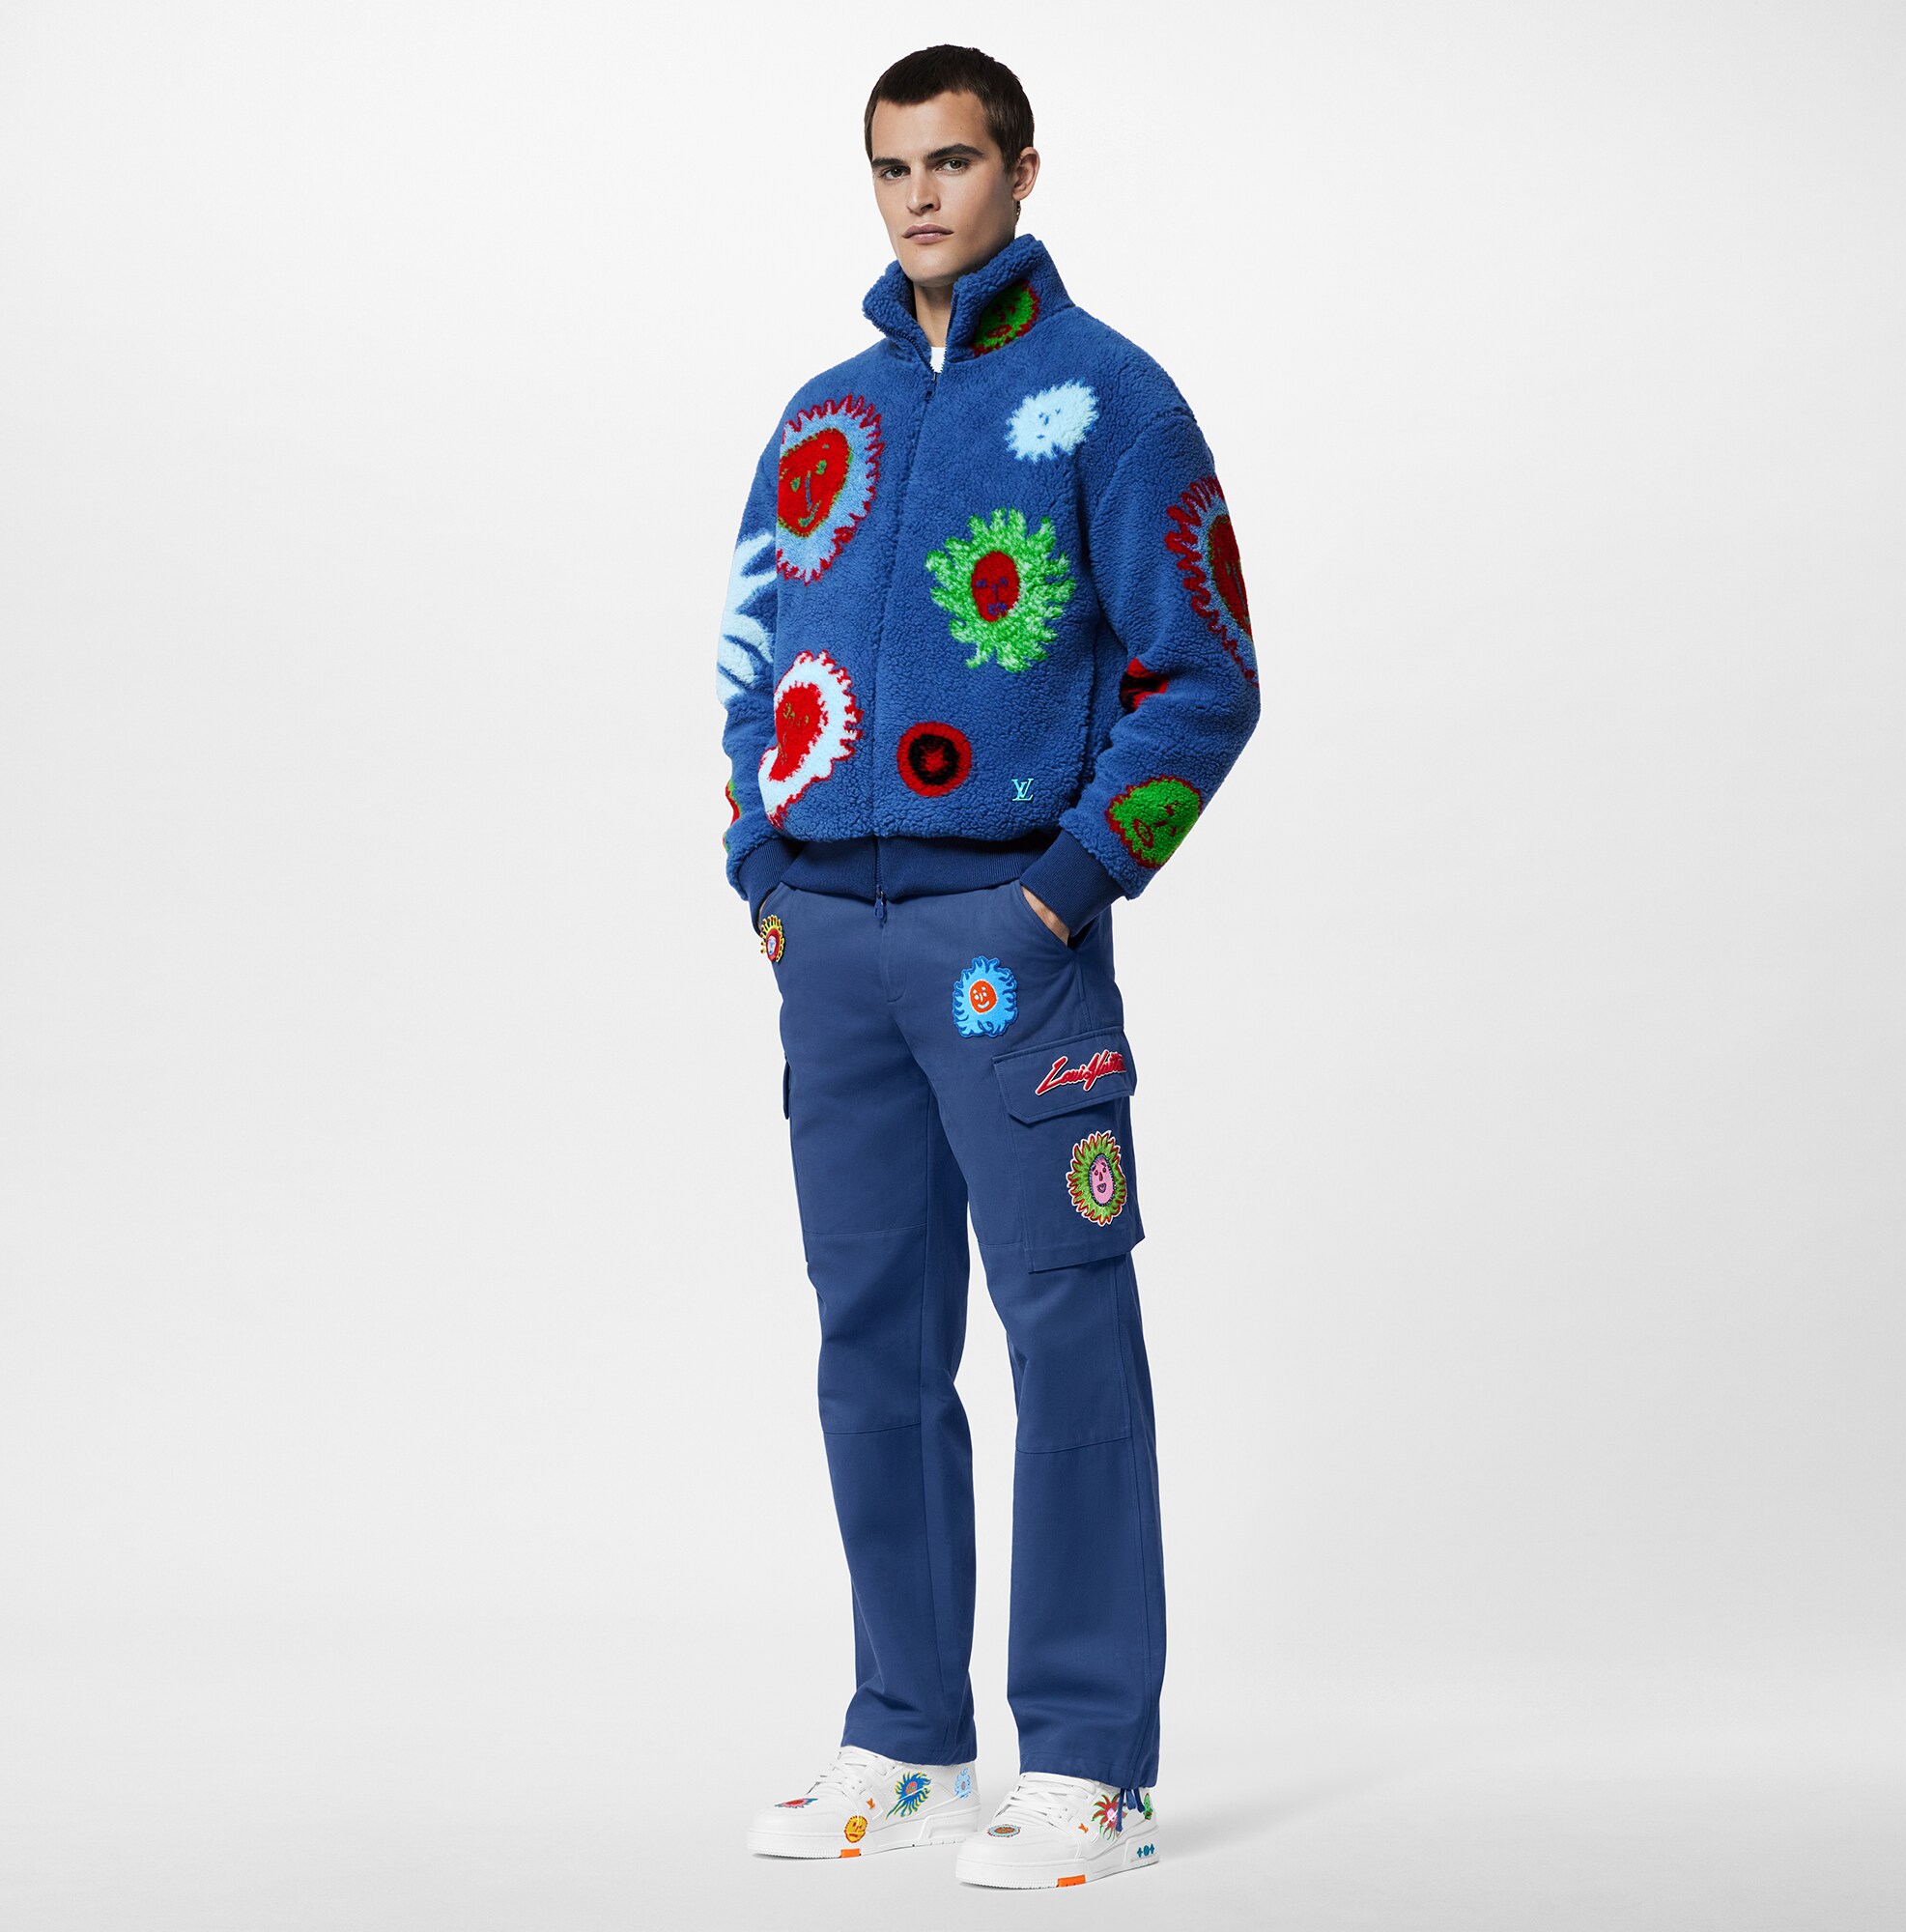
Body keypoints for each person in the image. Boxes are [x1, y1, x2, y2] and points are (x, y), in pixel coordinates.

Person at [715, 43, 1261, 1891]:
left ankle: (1094, 1763)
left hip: (1007, 945)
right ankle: (908, 1738)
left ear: (1023, 172)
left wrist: (1061, 894)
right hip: (832, 945)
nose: (920, 198)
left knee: (1065, 1328)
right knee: (872, 1342)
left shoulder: (1114, 400)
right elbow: (750, 662)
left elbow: (1206, 676)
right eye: (892, 169)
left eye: (952, 162)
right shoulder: (824, 418)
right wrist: (764, 873)